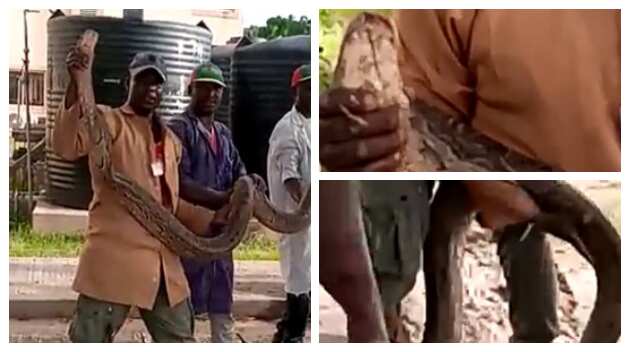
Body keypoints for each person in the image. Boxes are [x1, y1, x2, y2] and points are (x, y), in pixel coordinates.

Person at [54, 47, 216, 342]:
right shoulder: (108, 121)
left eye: (157, 83)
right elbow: (67, 145)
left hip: (164, 267)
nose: (150, 89)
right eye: (143, 81)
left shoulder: (169, 141)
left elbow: (170, 202)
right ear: (129, 83)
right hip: (114, 260)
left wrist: (214, 219)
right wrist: (76, 82)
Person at [166, 63, 247, 343]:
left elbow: (240, 173)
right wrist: (223, 199)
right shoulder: (178, 129)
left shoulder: (223, 134)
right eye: (206, 87)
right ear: (192, 89)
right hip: (189, 233)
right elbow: (179, 182)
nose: (212, 94)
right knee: (182, 311)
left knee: (222, 310)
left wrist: (245, 189)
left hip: (221, 238)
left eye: (217, 89)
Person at [267, 64, 312, 342]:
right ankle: (290, 336)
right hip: (295, 220)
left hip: (313, 218)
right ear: (296, 90)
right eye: (306, 87)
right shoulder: (287, 130)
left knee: (307, 278)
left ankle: (289, 333)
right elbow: (290, 179)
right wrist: (309, 205)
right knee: (298, 279)